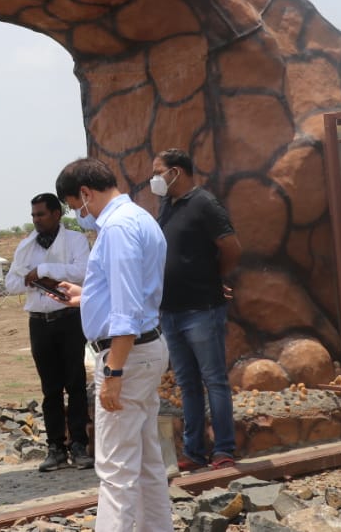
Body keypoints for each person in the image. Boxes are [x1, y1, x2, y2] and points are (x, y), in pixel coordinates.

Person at [56, 158, 173, 532]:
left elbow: (127, 310)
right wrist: (86, 297)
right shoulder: (139, 218)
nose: (80, 215)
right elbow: (131, 292)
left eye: (75, 207)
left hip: (127, 354)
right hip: (145, 349)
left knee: (116, 470)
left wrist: (113, 372)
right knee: (147, 463)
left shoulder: (117, 228)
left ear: (85, 194)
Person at [152, 148, 242, 472]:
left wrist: (216, 277)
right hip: (171, 311)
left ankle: (224, 450)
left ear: (176, 171)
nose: (154, 179)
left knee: (214, 380)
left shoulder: (205, 203)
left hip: (201, 309)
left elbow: (231, 247)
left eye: (158, 172)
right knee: (187, 383)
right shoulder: (166, 206)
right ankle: (193, 451)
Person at [3, 193, 93, 472]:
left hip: (69, 319)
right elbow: (11, 284)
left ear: (57, 213)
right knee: (50, 388)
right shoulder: (26, 246)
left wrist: (44, 270)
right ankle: (55, 447)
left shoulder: (76, 240)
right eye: (33, 215)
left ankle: (79, 445)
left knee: (75, 384)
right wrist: (32, 280)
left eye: (41, 214)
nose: (36, 220)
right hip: (39, 321)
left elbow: (83, 272)